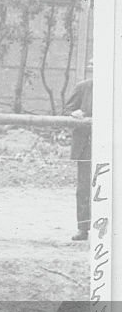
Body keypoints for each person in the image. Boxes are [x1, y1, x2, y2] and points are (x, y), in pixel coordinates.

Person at [64, 73, 93, 241]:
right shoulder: (83, 87)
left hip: (111, 145)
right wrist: (74, 114)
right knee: (84, 188)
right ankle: (83, 228)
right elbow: (66, 110)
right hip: (86, 145)